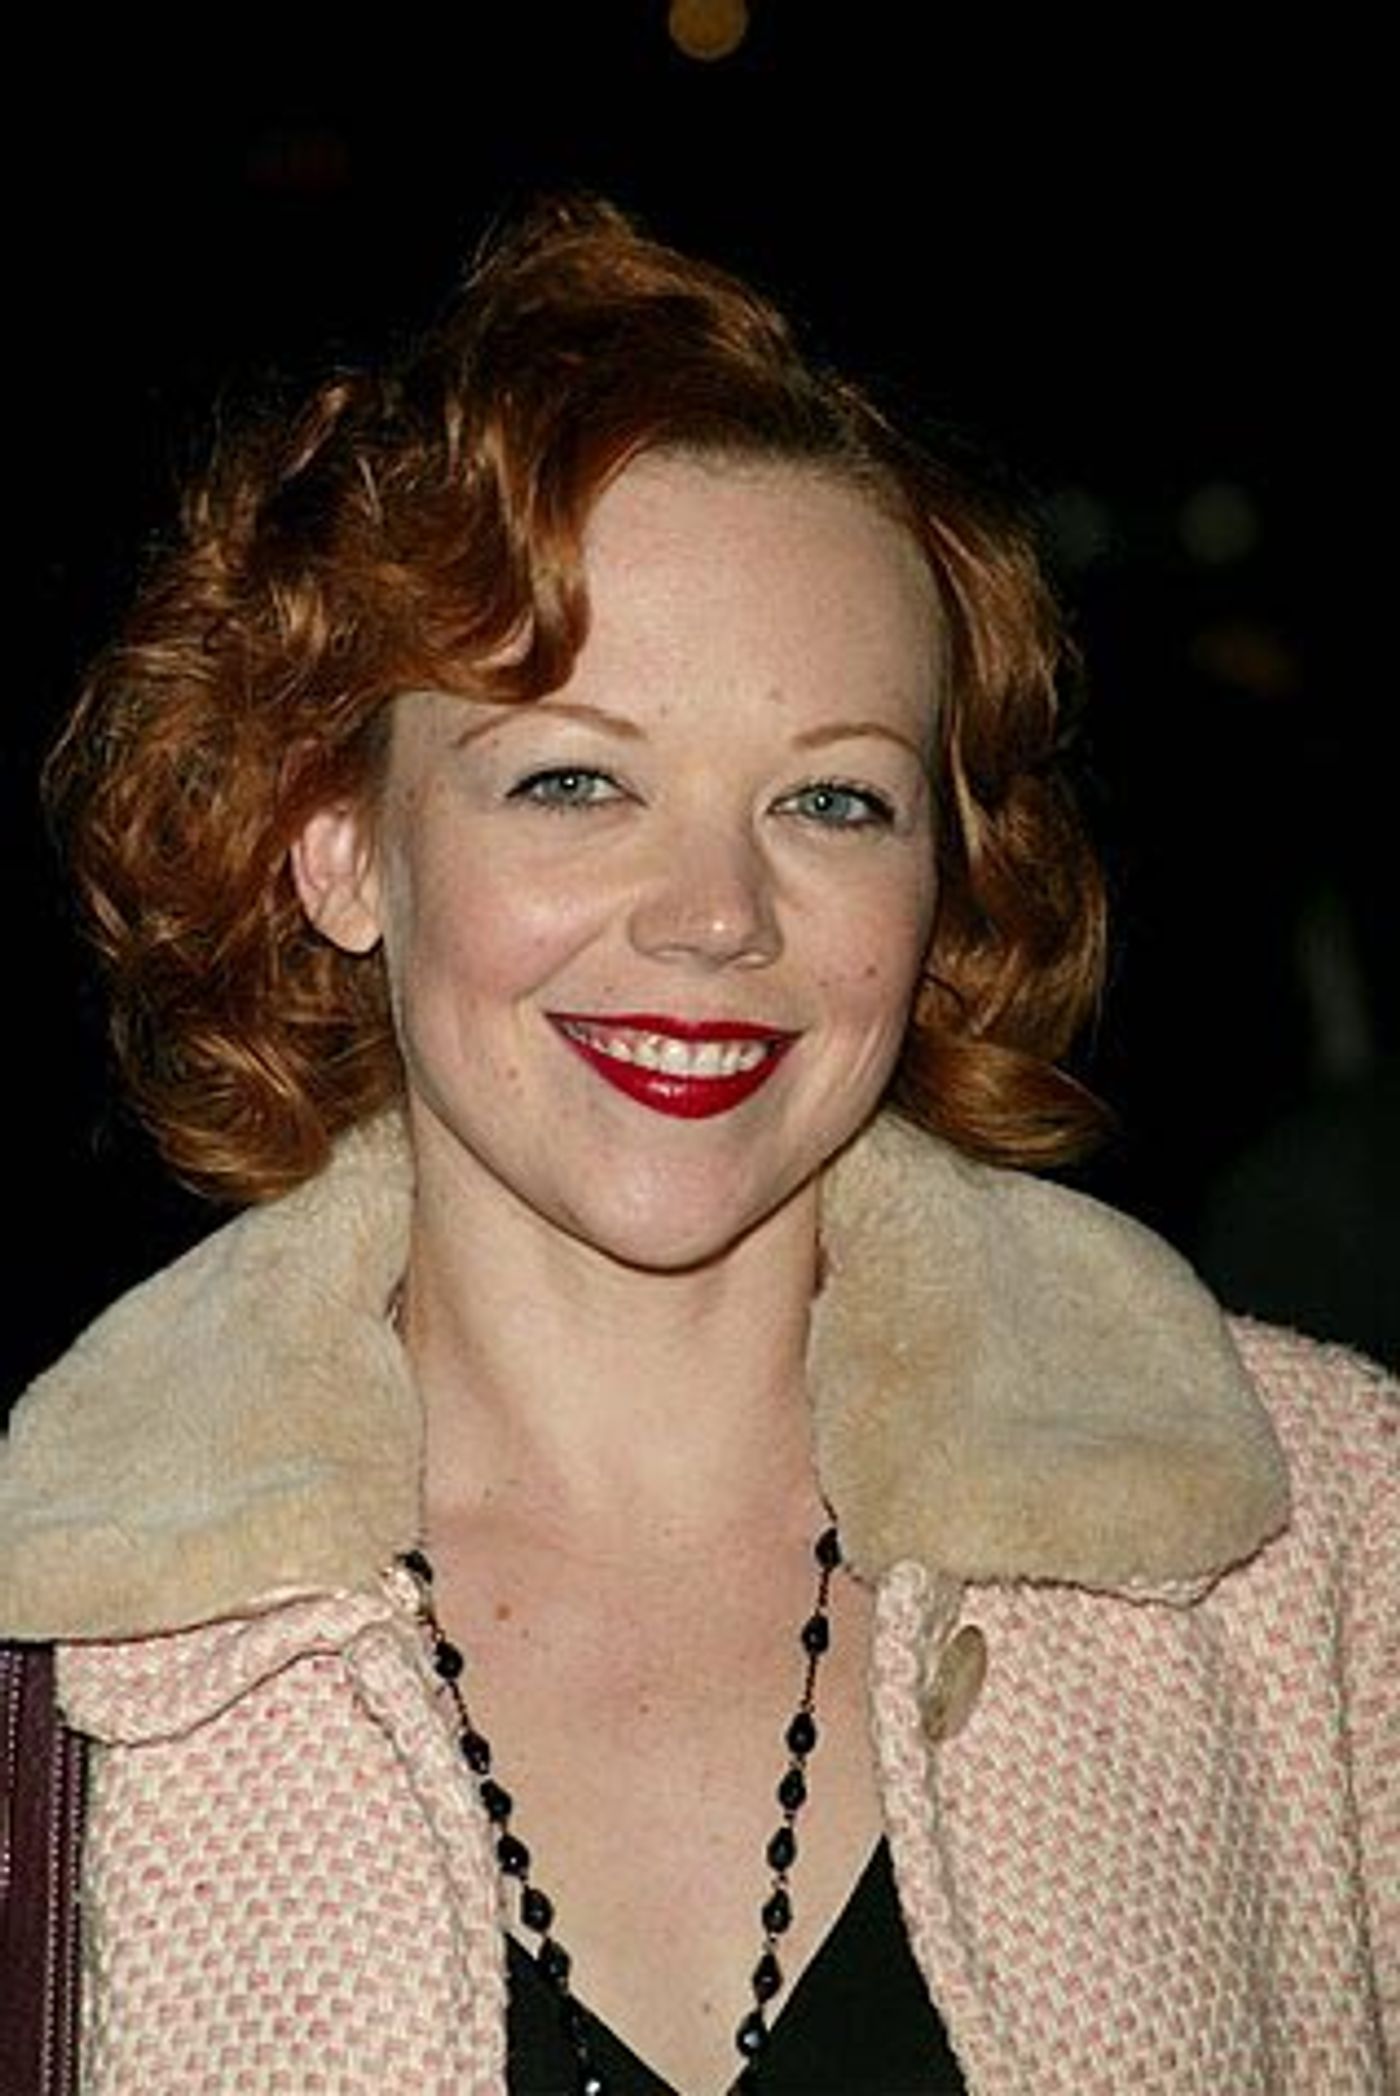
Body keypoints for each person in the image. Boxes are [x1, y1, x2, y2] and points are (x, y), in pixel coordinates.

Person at [0, 197, 1393, 2096]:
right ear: (340, 846)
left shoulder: (1324, 1546)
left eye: (833, 801)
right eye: (577, 779)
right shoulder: (59, 1637)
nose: (719, 916)